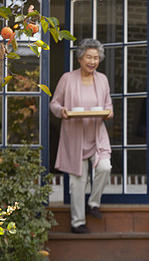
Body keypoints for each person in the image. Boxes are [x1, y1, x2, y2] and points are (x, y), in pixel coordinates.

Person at [50, 39, 113, 234]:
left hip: (97, 135)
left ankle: (93, 203)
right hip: (74, 136)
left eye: (96, 58)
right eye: (89, 57)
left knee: (105, 167)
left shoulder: (102, 79)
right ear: (80, 58)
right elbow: (54, 104)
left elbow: (108, 105)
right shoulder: (67, 79)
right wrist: (62, 112)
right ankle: (77, 222)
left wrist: (109, 112)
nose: (92, 61)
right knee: (77, 181)